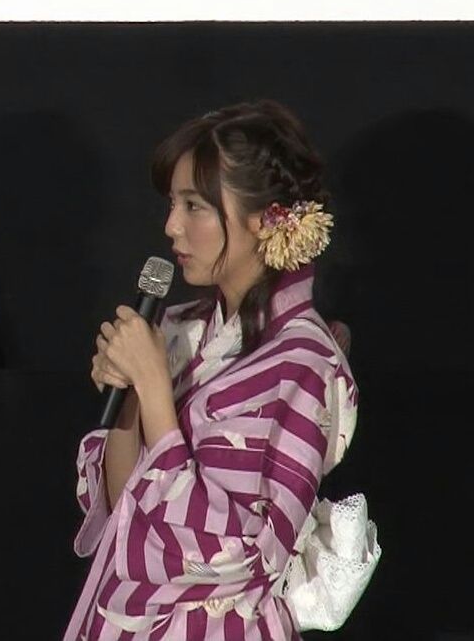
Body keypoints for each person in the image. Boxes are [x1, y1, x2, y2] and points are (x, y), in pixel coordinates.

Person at [62, 99, 359, 641]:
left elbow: (235, 553)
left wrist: (155, 389)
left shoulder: (304, 361)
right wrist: (133, 388)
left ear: (267, 218)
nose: (171, 226)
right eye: (172, 204)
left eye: (194, 206)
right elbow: (126, 504)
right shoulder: (180, 329)